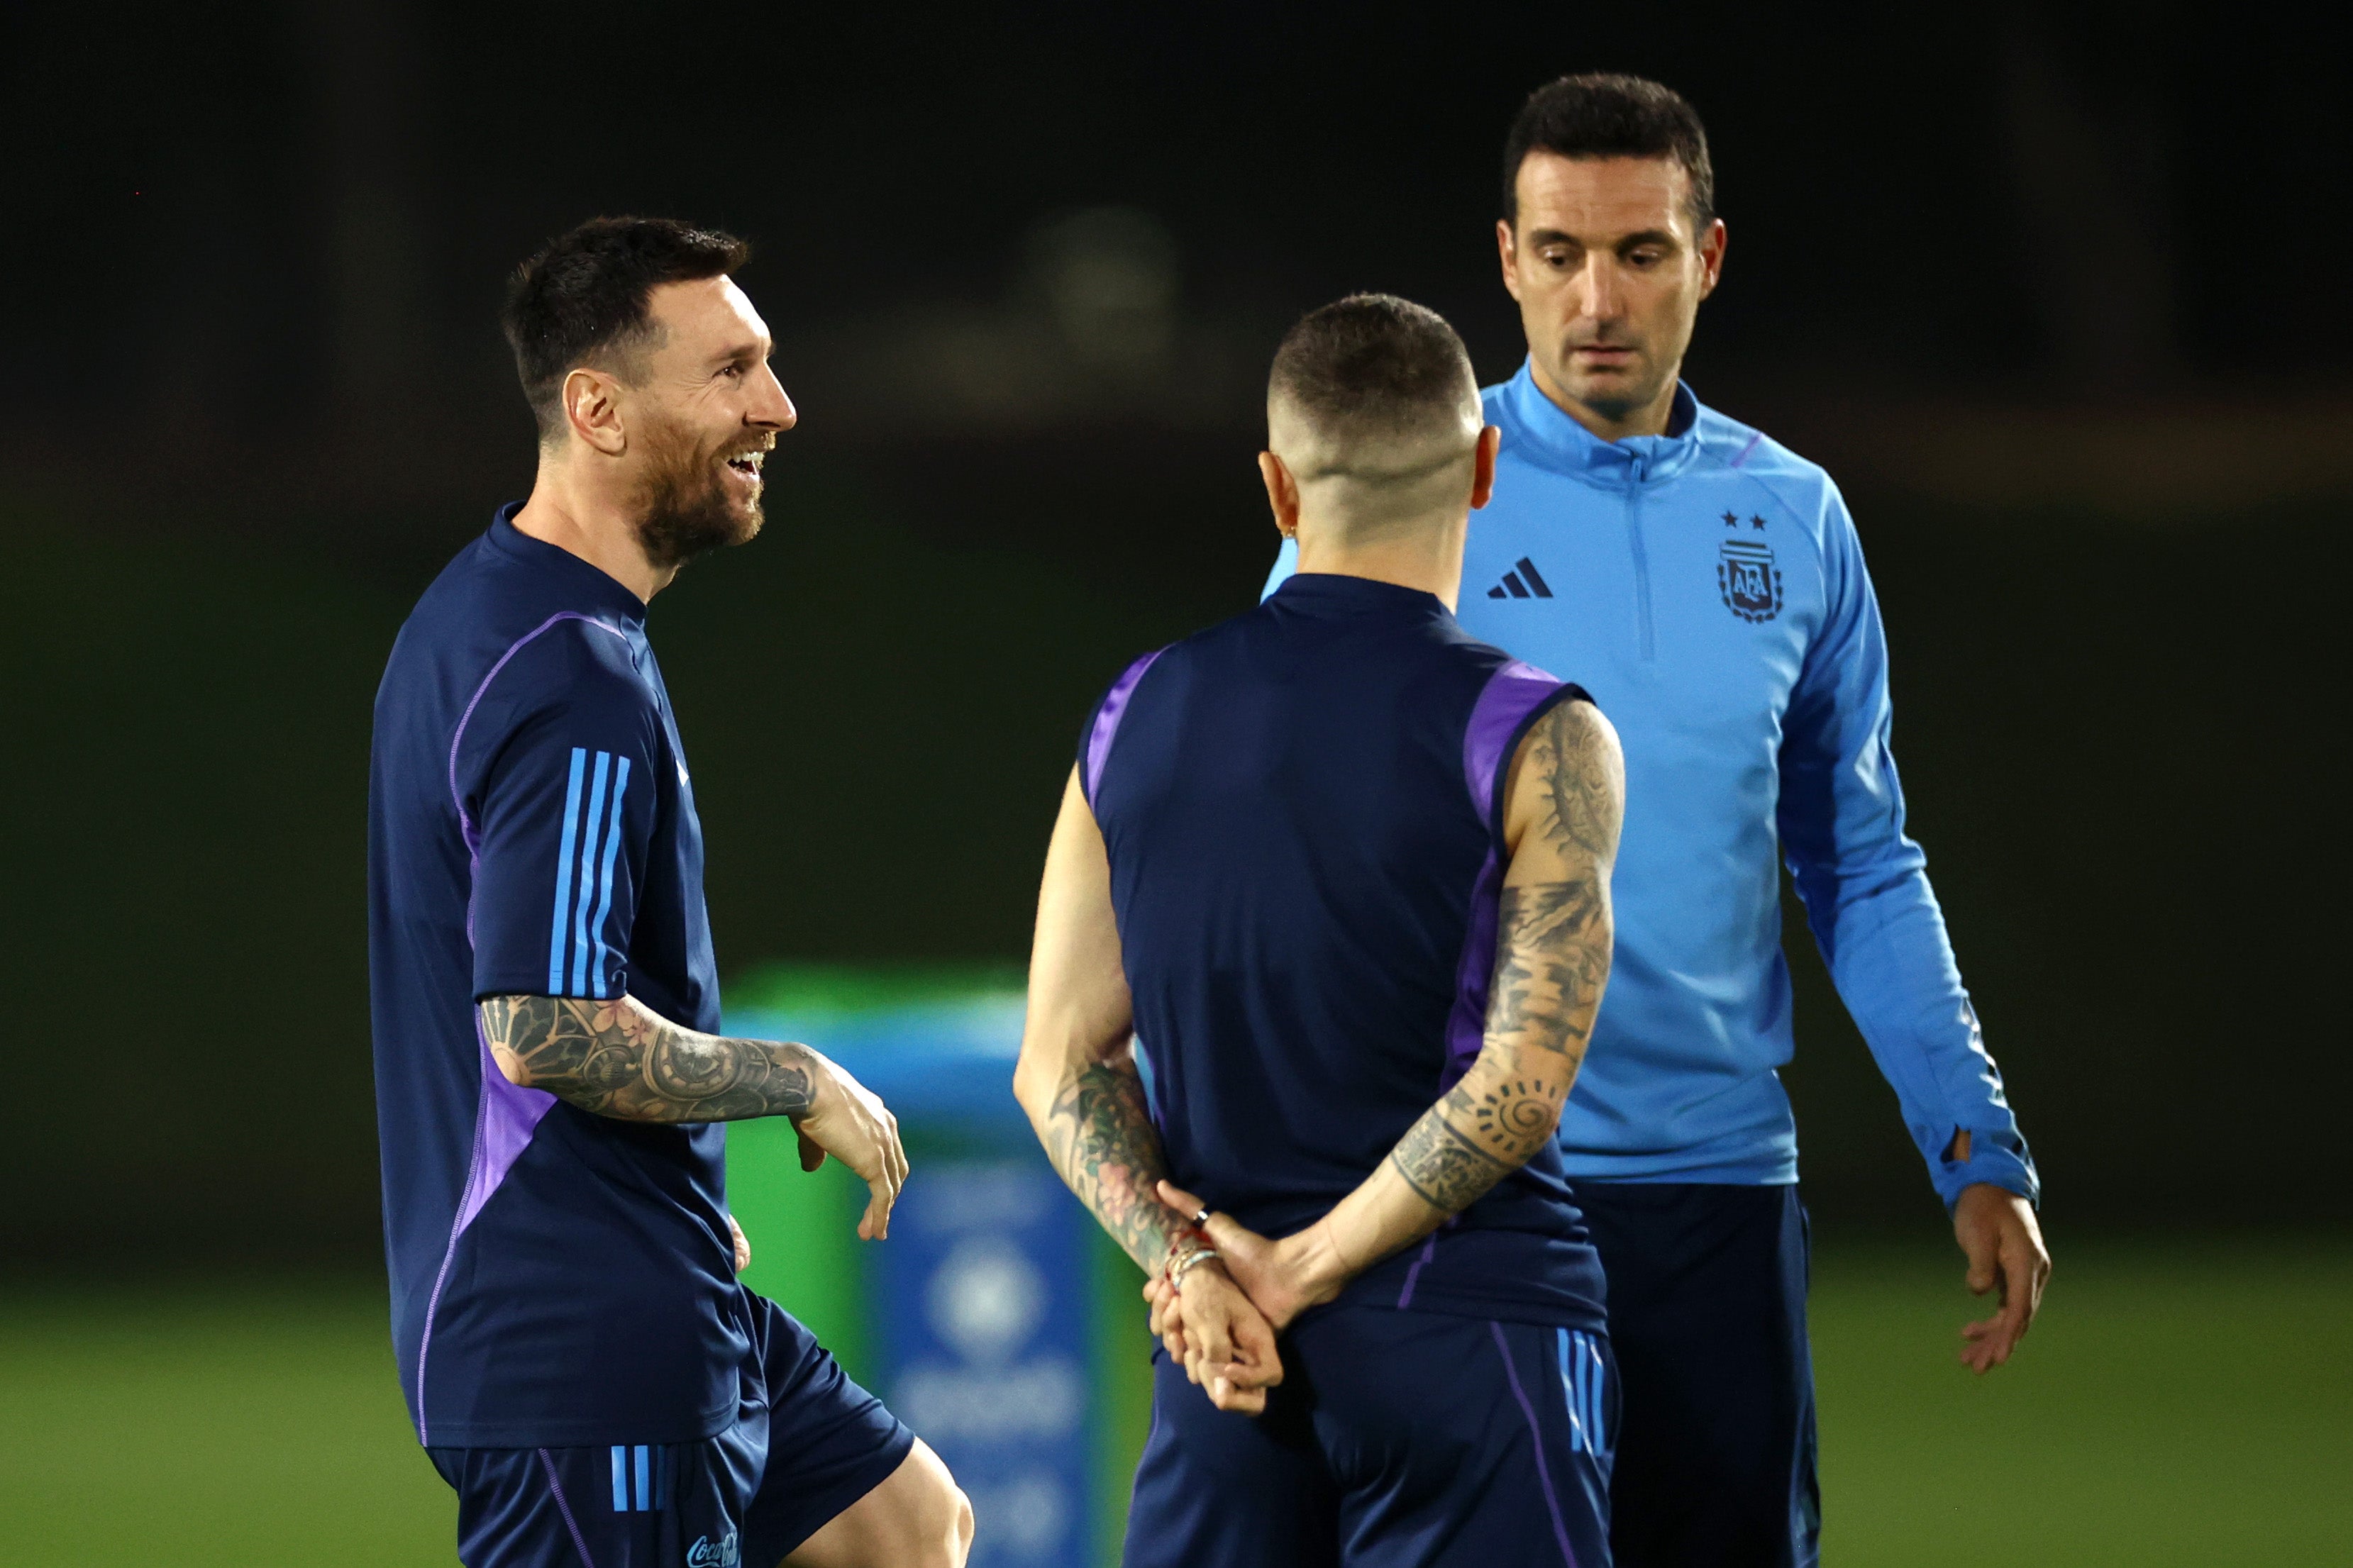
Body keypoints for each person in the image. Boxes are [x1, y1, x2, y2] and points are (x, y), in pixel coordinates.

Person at [1257, 75, 2052, 1567]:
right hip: (1460, 1191)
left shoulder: (1795, 516)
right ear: (1505, 260)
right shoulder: (1408, 482)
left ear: (1710, 257)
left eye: (1638, 251)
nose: (1596, 296)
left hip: (1714, 1197)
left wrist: (1974, 1132)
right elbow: (1264, 826)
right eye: (1559, 253)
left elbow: (1861, 859)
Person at [367, 216, 973, 1568]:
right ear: (598, 407)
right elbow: (542, 1021)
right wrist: (794, 1077)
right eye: (731, 372)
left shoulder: (489, 611)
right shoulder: (568, 669)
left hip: (637, 1281)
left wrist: (666, 1184)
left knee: (908, 1530)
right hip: (576, 1346)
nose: (780, 406)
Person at [1014, 294, 1629, 1568]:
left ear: (1277, 492)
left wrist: (1194, 1268)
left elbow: (1061, 1061)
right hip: (1474, 1341)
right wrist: (1304, 1267)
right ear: (1480, 469)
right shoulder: (1537, 734)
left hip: (1225, 1363)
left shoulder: (1132, 715)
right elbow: (1522, 1082)